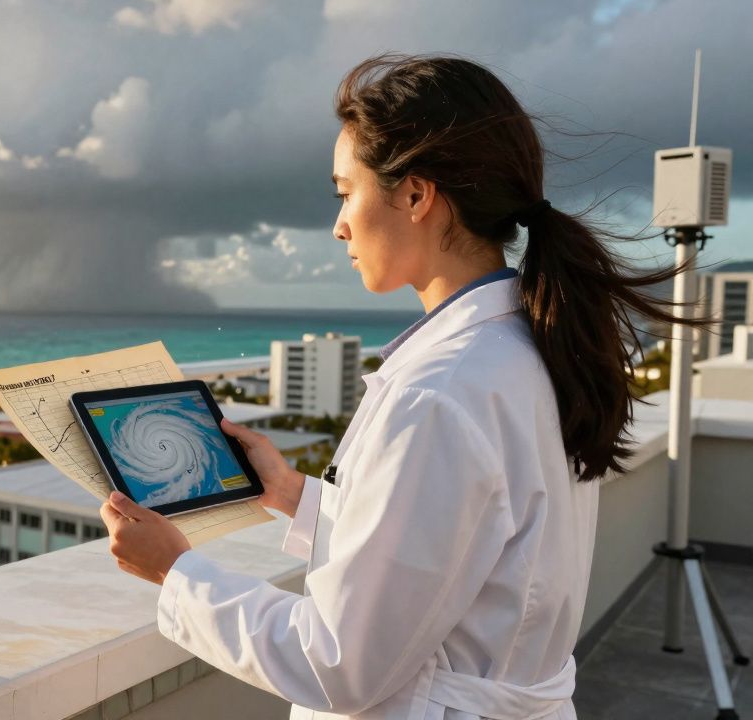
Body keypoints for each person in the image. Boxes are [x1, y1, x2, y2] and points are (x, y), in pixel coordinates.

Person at [98, 54, 705, 719]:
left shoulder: (437, 392)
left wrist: (177, 573)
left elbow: (338, 664)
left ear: (416, 195)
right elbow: (458, 540)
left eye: (344, 192)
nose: (338, 227)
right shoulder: (525, 348)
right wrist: (296, 495)